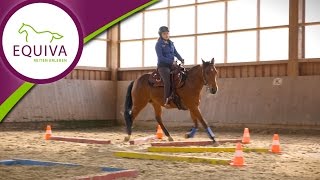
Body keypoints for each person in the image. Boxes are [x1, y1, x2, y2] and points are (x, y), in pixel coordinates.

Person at [155, 26, 184, 108]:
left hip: (172, 65)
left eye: (167, 33)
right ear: (161, 35)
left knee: (182, 74)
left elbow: (176, 52)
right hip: (163, 66)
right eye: (164, 34)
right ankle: (166, 100)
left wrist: (181, 58)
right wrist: (171, 61)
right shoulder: (158, 44)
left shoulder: (171, 43)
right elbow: (161, 57)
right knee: (167, 81)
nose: (166, 35)